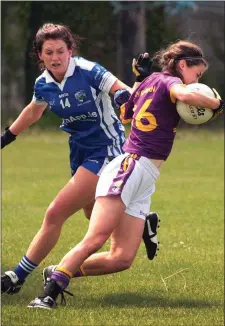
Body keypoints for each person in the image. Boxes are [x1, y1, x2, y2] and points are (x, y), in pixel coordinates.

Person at [26, 39, 224, 309]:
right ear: (182, 65)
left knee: (121, 258)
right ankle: (47, 294)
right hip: (130, 167)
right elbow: (186, 95)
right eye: (196, 74)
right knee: (95, 238)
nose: (195, 80)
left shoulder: (149, 80)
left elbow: (125, 113)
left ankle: (59, 271)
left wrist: (142, 83)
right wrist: (217, 103)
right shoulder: (169, 82)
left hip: (144, 177)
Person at [1, 23, 160, 295]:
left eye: (60, 51)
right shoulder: (44, 83)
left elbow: (119, 90)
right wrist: (6, 137)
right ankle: (138, 221)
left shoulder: (88, 70)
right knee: (91, 214)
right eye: (48, 52)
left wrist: (126, 92)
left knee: (55, 213)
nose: (55, 57)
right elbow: (33, 111)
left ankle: (17, 276)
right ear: (40, 55)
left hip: (107, 151)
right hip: (79, 152)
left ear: (70, 50)